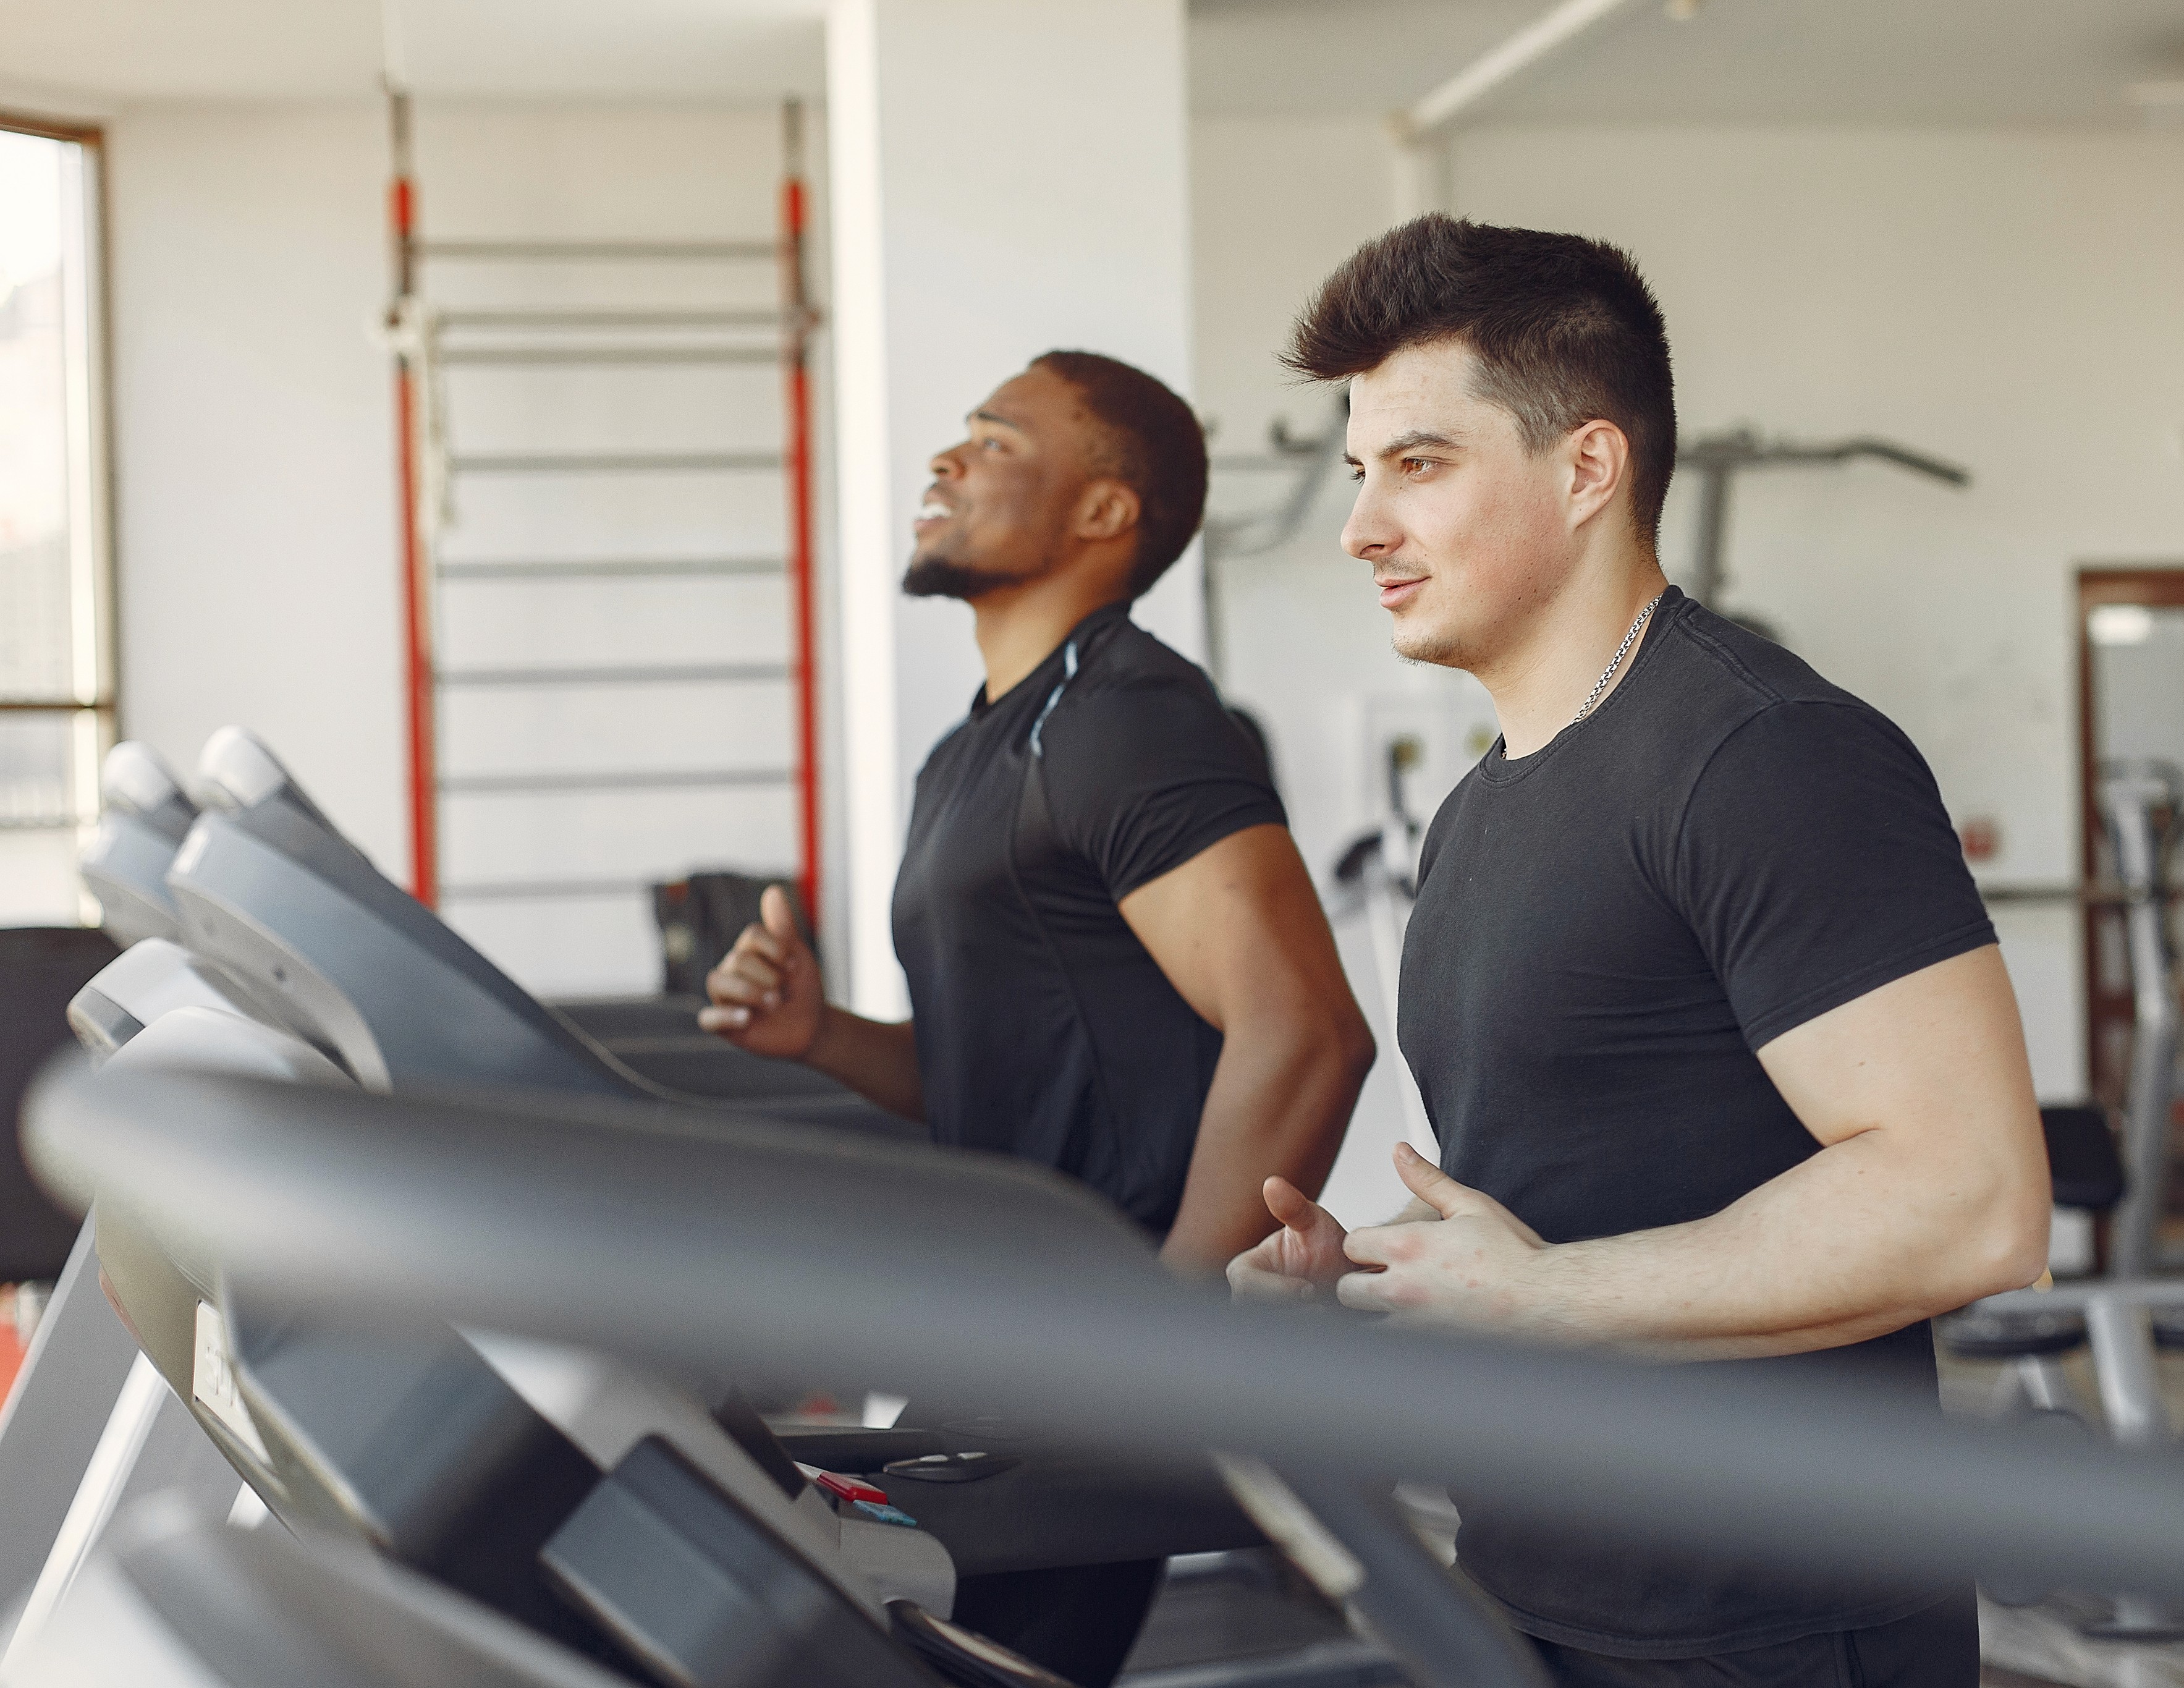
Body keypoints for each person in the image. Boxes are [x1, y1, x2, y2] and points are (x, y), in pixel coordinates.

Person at [1229, 218, 2052, 1688]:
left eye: (1417, 465)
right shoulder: (1478, 809)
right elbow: (1579, 1201)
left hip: (1774, 1619)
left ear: (1586, 466)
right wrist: (1374, 1284)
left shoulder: (1765, 754)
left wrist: (1540, 1297)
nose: (1359, 528)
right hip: (1540, 1588)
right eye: (1360, 475)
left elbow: (1969, 1201)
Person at [701, 349, 1375, 1685]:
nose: (946, 463)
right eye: (955, 439)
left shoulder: (1127, 716)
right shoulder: (972, 749)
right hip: (1004, 1327)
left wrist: (1156, 1333)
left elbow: (1304, 1029)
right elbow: (1001, 1065)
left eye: (995, 443)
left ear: (1102, 514)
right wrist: (820, 1034)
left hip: (1087, 1340)